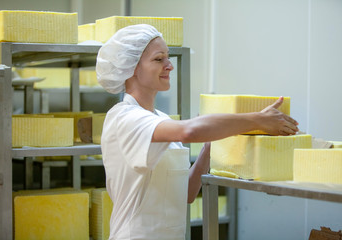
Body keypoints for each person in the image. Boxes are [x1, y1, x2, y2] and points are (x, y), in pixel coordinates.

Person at [96, 24, 299, 240]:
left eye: (168, 57)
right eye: (159, 59)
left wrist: (211, 144)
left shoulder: (161, 119)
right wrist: (258, 120)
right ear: (132, 68)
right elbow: (189, 131)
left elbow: (188, 193)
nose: (169, 66)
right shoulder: (124, 118)